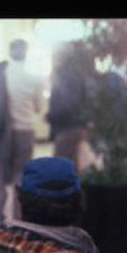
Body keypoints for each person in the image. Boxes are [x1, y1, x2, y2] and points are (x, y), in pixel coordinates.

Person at [0, 39, 44, 229]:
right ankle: (19, 221)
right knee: (21, 177)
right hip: (25, 132)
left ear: (10, 51)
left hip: (3, 133)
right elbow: (38, 107)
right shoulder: (34, 78)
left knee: (2, 178)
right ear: (26, 52)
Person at [46, 41, 95, 171]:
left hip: (67, 127)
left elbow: (68, 103)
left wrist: (51, 116)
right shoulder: (75, 72)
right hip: (74, 126)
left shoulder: (66, 74)